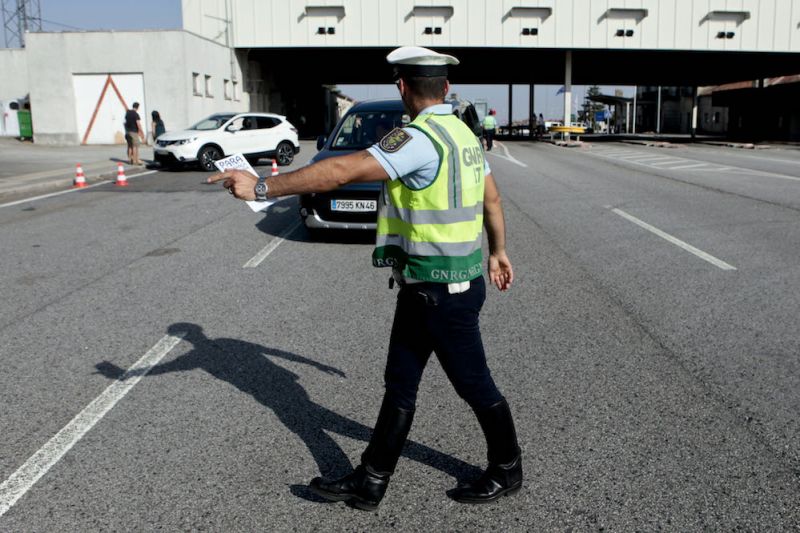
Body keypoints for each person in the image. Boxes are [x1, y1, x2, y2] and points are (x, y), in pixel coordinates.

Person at [208, 45, 521, 511]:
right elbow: (491, 201)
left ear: (401, 87)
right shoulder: (464, 135)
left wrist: (260, 186)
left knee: (474, 385)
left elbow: (339, 171)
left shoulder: (416, 138)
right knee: (399, 384)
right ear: (447, 88)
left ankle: (507, 468)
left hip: (442, 292)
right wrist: (497, 251)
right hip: (432, 285)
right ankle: (370, 480)